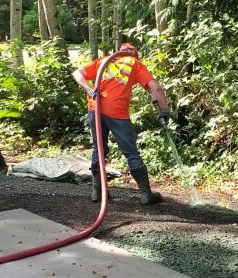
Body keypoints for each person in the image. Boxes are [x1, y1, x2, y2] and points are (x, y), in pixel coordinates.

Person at [72, 43, 171, 205]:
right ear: (135, 54)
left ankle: (97, 192)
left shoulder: (104, 61)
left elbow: (77, 73)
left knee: (99, 149)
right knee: (131, 152)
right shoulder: (136, 64)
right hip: (116, 111)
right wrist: (165, 110)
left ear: (118, 52)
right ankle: (146, 194)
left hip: (94, 108)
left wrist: (89, 89)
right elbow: (155, 88)